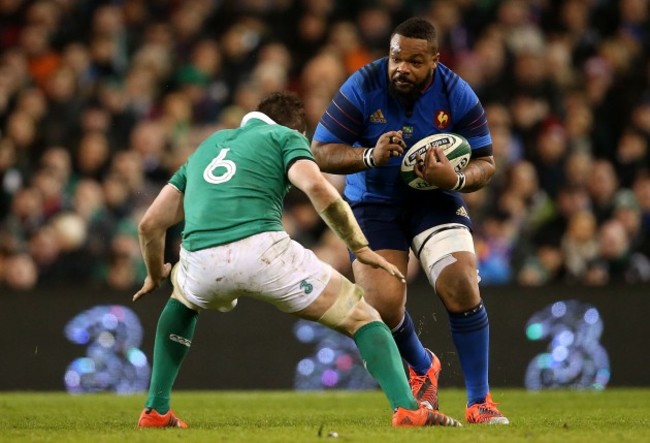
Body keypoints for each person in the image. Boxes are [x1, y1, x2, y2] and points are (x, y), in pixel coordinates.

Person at [132, 91, 461, 429]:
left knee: (182, 300)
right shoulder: (285, 137)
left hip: (199, 257)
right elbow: (317, 188)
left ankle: (156, 410)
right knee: (362, 316)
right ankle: (408, 410)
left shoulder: (207, 146)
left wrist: (156, 273)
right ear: (299, 132)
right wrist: (360, 247)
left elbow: (151, 224)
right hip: (262, 249)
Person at [311, 17, 509, 424]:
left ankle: (480, 401)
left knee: (461, 283)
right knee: (382, 305)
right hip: (373, 202)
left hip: (433, 197)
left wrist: (453, 178)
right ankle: (423, 366)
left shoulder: (457, 94)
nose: (402, 67)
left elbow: (486, 163)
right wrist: (369, 156)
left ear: (435, 60)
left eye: (415, 61)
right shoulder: (362, 86)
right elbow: (321, 149)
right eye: (396, 57)